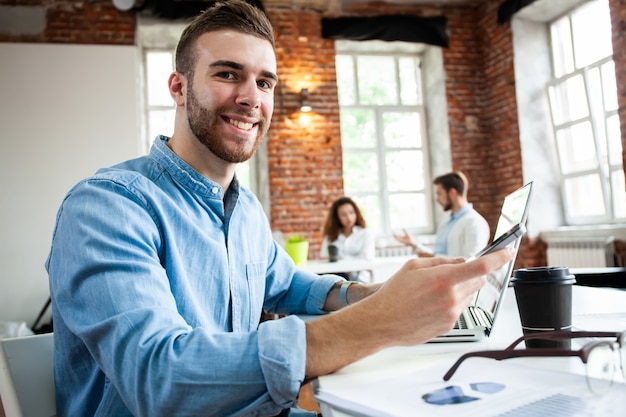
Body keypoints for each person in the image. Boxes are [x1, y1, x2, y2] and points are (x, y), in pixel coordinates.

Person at [45, 2, 514, 416]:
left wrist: (370, 295)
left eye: (264, 81)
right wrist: (379, 322)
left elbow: (285, 282)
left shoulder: (245, 209)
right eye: (228, 74)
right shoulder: (108, 204)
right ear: (178, 87)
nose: (252, 98)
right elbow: (159, 379)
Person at [394, 171, 490, 259]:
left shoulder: (475, 223)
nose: (437, 199)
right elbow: (439, 255)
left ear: (452, 193)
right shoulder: (446, 222)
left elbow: (471, 262)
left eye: (439, 193)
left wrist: (433, 258)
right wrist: (414, 245)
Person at [319, 196, 375, 282]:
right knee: (321, 278)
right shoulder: (331, 236)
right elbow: (324, 258)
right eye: (343, 215)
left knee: (339, 278)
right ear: (337, 217)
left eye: (351, 213)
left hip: (359, 279)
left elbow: (366, 258)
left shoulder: (365, 234)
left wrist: (342, 259)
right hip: (336, 277)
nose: (349, 218)